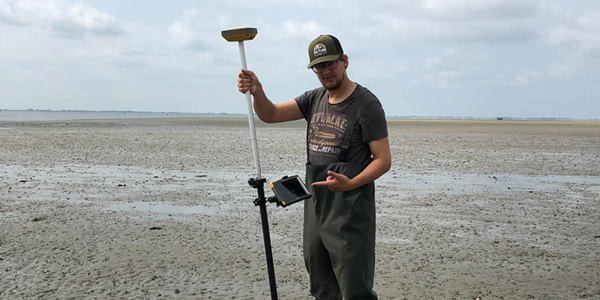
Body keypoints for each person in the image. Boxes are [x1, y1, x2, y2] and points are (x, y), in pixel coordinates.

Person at [238, 34, 391, 300]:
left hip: (351, 208)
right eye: (319, 67)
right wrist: (258, 91)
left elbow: (383, 160)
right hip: (316, 206)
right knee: (320, 282)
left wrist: (352, 183)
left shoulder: (367, 104)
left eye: (331, 64)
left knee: (355, 287)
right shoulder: (313, 98)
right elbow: (270, 114)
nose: (326, 72)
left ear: (344, 61)